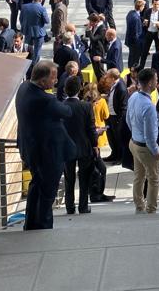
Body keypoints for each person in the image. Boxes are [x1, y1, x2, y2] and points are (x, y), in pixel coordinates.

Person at [15, 60, 74, 230]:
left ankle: (31, 223)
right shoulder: (45, 99)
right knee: (48, 193)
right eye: (53, 78)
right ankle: (43, 226)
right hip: (47, 154)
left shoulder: (24, 87)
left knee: (36, 186)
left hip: (31, 149)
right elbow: (67, 111)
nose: (55, 81)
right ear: (42, 81)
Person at [126, 67, 159, 214]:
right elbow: (150, 136)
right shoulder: (149, 107)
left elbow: (128, 120)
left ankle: (139, 206)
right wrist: (157, 152)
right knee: (153, 179)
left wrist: (135, 133)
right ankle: (151, 208)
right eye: (156, 80)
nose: (157, 82)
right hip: (145, 147)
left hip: (134, 142)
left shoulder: (133, 96)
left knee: (138, 176)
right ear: (149, 83)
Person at [61, 75, 97, 215]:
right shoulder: (86, 106)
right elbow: (91, 129)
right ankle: (83, 206)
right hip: (84, 146)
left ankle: (70, 207)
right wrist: (95, 145)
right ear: (79, 89)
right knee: (84, 178)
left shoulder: (61, 106)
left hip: (66, 148)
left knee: (69, 179)